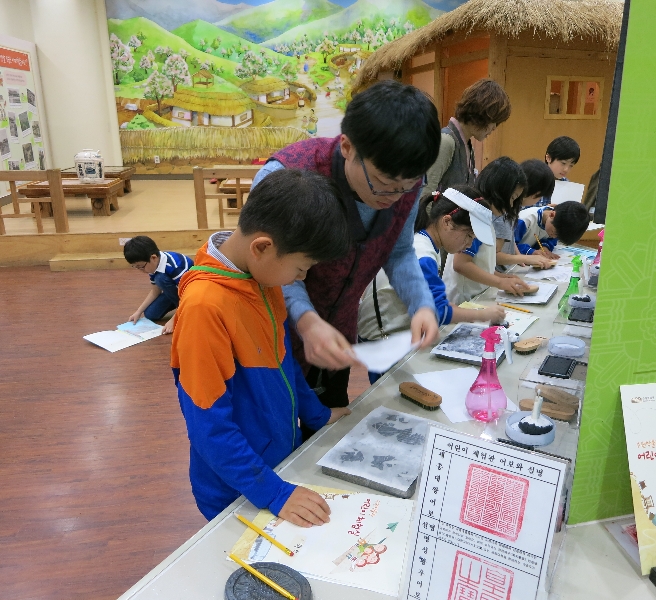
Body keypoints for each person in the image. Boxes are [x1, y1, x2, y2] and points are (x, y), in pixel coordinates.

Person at [251, 80, 441, 418]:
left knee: (324, 434)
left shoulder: (405, 179)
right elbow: (272, 267)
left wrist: (421, 304)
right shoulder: (288, 177)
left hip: (338, 339)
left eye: (407, 187)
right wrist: (307, 322)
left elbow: (398, 251)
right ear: (347, 147)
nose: (395, 198)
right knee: (276, 437)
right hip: (270, 344)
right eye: (383, 184)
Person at [171, 169, 352, 523]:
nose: (301, 279)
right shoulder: (204, 308)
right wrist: (273, 491)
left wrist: (317, 415)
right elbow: (208, 426)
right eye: (301, 269)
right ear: (263, 247)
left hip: (279, 466)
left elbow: (284, 364)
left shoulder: (261, 281)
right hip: (236, 491)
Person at [358, 186, 506, 383]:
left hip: (394, 331)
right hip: (384, 340)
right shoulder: (423, 256)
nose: (469, 245)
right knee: (392, 395)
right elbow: (438, 313)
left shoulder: (422, 242)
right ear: (447, 222)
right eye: (468, 236)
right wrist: (484, 314)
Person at [443, 157, 551, 305]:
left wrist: (501, 277)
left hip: (475, 295)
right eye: (512, 198)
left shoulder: (487, 218)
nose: (512, 205)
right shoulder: (474, 221)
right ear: (498, 191)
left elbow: (480, 264)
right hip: (462, 299)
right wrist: (499, 283)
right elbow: (461, 264)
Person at [422, 79, 511, 197]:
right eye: (494, 121)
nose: (494, 128)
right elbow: (425, 195)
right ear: (481, 113)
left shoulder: (467, 145)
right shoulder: (446, 142)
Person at [124, 235, 193, 334]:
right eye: (135, 267)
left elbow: (188, 296)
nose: (140, 270)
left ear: (153, 258)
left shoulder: (174, 267)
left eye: (140, 267)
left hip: (190, 294)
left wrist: (174, 320)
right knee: (150, 314)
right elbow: (155, 291)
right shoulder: (153, 265)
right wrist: (138, 311)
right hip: (176, 291)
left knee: (160, 278)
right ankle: (181, 309)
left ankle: (185, 311)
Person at [517, 201, 590, 259]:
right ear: (552, 215)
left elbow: (551, 240)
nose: (554, 237)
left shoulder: (556, 224)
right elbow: (508, 247)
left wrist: (544, 247)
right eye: (554, 233)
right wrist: (530, 252)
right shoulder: (525, 220)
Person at [536, 136, 581, 207]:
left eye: (571, 166)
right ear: (548, 158)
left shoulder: (567, 186)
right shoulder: (533, 179)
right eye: (563, 163)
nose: (566, 169)